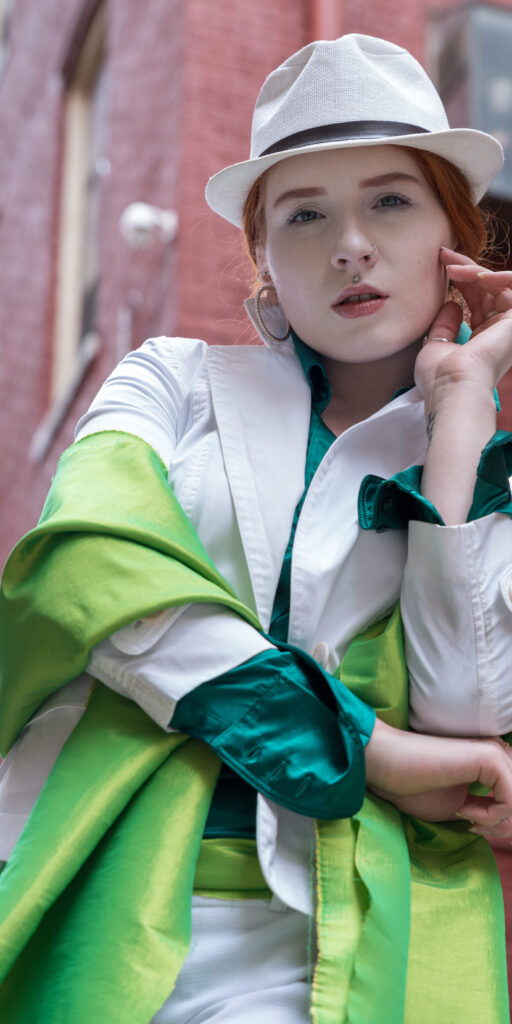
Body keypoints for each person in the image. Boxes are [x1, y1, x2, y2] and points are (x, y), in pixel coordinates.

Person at [1, 32, 512, 1024]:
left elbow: (464, 710)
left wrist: (461, 413)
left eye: (389, 201)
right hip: (101, 890)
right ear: (265, 261)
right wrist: (359, 746)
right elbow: (85, 568)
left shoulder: (483, 454)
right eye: (304, 213)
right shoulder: (166, 383)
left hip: (348, 934)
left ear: (451, 235)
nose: (348, 242)